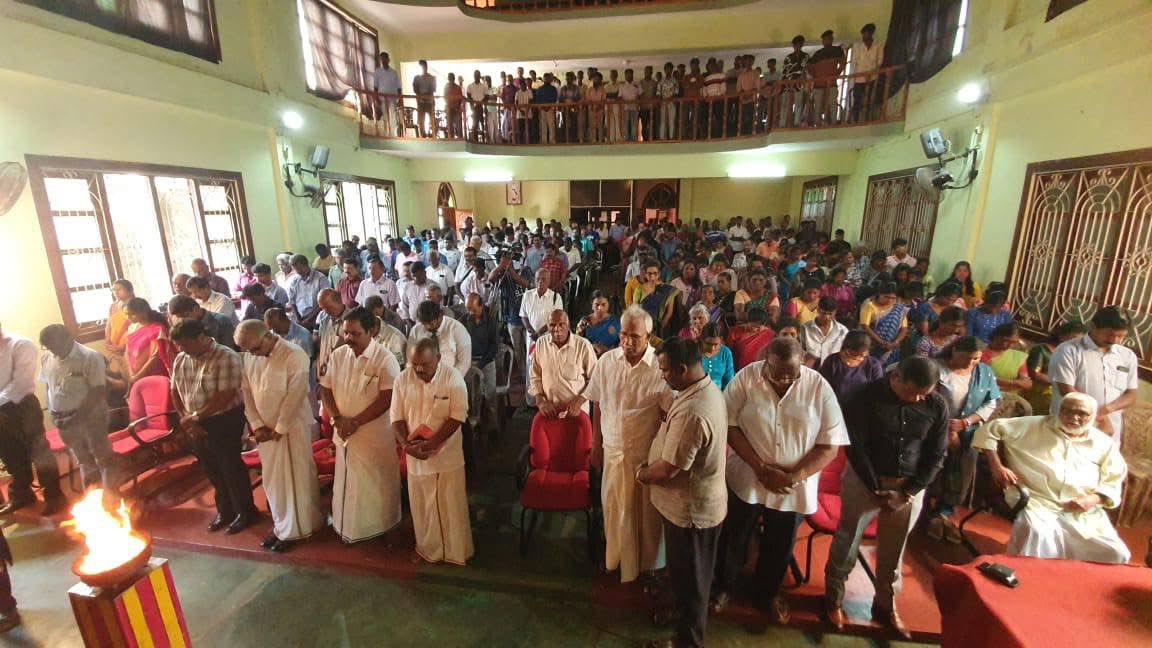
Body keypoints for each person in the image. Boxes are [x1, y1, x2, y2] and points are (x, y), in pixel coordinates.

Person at [713, 337, 847, 623]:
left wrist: (793, 475)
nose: (784, 379)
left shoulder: (818, 387)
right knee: (734, 536)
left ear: (802, 363)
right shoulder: (747, 377)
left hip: (794, 484)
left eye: (791, 373)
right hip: (747, 475)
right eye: (776, 372)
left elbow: (830, 445)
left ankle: (766, 593)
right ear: (765, 361)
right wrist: (760, 467)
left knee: (781, 542)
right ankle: (724, 587)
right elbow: (729, 423)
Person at [823, 357, 948, 640]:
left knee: (894, 549)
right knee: (847, 540)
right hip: (864, 481)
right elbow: (855, 445)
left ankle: (885, 605)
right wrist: (876, 487)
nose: (918, 398)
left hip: (908, 489)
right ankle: (834, 598)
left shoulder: (935, 405)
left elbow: (936, 454)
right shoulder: (864, 396)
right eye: (913, 391)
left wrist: (908, 492)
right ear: (897, 378)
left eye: (924, 394)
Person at [637, 337, 727, 648]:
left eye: (664, 370)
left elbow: (668, 469)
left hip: (691, 514)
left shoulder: (694, 410)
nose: (661, 375)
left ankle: (687, 642)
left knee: (692, 585)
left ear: (681, 368)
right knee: (686, 578)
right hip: (692, 508)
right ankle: (681, 627)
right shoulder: (702, 389)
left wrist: (642, 473)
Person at [973, 393, 1130, 563]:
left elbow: (1114, 477)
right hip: (1038, 502)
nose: (1073, 417)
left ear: (1093, 416)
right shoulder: (1032, 425)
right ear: (1059, 410)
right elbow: (988, 430)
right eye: (1067, 411)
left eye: (1081, 413)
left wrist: (1094, 498)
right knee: (1037, 537)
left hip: (1083, 512)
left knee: (1116, 553)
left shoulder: (1103, 443)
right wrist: (996, 466)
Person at [584, 306, 671, 584]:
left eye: (635, 336)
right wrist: (596, 445)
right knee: (613, 508)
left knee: (644, 515)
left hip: (644, 457)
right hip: (612, 451)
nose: (627, 342)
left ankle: (647, 567)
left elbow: (668, 415)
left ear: (649, 336)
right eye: (623, 334)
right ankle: (615, 558)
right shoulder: (607, 362)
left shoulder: (660, 367)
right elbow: (597, 403)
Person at [235, 320, 322, 552]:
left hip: (291, 428)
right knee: (274, 481)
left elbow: (295, 395)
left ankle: (299, 529)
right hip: (265, 432)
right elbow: (246, 392)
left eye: (254, 348)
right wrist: (256, 425)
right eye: (248, 351)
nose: (252, 354)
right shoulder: (251, 356)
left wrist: (280, 428)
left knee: (297, 478)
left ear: (267, 336)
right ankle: (282, 525)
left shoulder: (294, 354)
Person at [318, 307, 403, 544]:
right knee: (349, 482)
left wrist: (355, 422)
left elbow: (387, 399)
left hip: (374, 434)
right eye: (346, 333)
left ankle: (386, 527)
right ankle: (349, 527)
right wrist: (336, 419)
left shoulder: (385, 359)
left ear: (371, 331)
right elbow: (325, 388)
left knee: (378, 483)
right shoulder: (339, 355)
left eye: (355, 333)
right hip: (343, 431)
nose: (348, 338)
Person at [392, 338, 473, 564]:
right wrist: (407, 447)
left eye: (424, 365)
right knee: (422, 506)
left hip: (447, 454)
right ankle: (428, 550)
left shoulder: (453, 378)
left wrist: (434, 442)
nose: (418, 369)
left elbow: (458, 416)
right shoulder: (402, 379)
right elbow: (396, 418)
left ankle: (456, 553)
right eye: (414, 364)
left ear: (437, 359)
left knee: (451, 503)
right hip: (416, 454)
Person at [169, 319, 253, 533]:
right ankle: (225, 511)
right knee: (211, 468)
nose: (182, 349)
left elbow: (225, 395)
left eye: (185, 344)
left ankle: (246, 512)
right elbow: (175, 391)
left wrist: (196, 417)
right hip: (193, 421)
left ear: (200, 337)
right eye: (179, 346)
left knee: (230, 466)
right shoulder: (181, 358)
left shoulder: (226, 356)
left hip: (224, 419)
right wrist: (187, 418)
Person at [927, 336, 1001, 544]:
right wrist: (949, 431)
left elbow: (990, 403)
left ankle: (944, 513)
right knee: (933, 465)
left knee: (960, 470)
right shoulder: (935, 368)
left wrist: (966, 423)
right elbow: (926, 397)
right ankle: (926, 510)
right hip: (934, 428)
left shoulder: (984, 372)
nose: (971, 363)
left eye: (976, 359)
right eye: (967, 358)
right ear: (955, 350)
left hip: (967, 431)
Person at [39, 325, 121, 510]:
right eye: (47, 347)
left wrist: (76, 417)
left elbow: (97, 391)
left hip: (91, 419)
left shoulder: (89, 357)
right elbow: (49, 387)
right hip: (63, 420)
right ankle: (93, 498)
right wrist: (54, 411)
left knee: (103, 459)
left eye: (53, 345)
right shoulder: (47, 358)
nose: (51, 350)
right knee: (83, 459)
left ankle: (111, 500)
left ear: (67, 339)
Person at [0, 323, 65, 516]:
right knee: (11, 455)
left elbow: (20, 384)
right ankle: (22, 495)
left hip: (22, 407)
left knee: (40, 453)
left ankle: (55, 498)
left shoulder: (21, 345)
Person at [1049, 307, 1139, 442]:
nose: (1114, 340)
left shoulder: (1127, 356)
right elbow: (1067, 390)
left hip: (1109, 431)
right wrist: (1099, 417)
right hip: (1072, 427)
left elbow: (1131, 395)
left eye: (1121, 336)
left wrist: (1107, 410)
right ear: (1093, 326)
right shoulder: (1068, 350)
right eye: (1109, 334)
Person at [529, 310, 596, 419]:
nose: (557, 329)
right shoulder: (541, 344)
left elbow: (595, 380)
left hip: (577, 414)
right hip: (550, 413)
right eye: (552, 325)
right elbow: (535, 376)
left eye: (561, 324)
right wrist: (540, 401)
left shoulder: (583, 346)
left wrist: (579, 402)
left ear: (568, 325)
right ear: (547, 326)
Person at [111, 299, 174, 395]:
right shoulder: (132, 328)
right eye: (127, 314)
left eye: (132, 314)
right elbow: (128, 352)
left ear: (143, 312)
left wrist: (137, 377)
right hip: (135, 374)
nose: (129, 318)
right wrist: (132, 374)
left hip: (156, 373)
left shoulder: (158, 329)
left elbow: (154, 358)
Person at [1024, 321, 1087, 415]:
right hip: (1042, 392)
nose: (1076, 343)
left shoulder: (1077, 356)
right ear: (1062, 336)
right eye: (1074, 338)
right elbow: (1034, 374)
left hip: (1067, 393)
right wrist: (1060, 382)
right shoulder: (1041, 349)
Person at [462, 293, 501, 436]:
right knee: (472, 395)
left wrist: (481, 363)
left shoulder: (490, 321)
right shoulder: (464, 321)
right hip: (469, 362)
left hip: (486, 361)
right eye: (468, 309)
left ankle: (493, 428)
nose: (470, 312)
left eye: (473, 309)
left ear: (481, 306)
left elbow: (494, 346)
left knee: (490, 395)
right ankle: (475, 423)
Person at [408, 300, 471, 379]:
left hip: (449, 376)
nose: (428, 327)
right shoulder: (416, 330)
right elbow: (410, 359)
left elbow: (464, 362)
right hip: (422, 376)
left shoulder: (457, 329)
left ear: (440, 315)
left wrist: (452, 380)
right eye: (424, 324)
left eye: (432, 323)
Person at [819, 330, 884, 405]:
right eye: (853, 354)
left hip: (862, 410)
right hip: (835, 407)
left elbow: (877, 392)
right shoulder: (832, 361)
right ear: (845, 347)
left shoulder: (873, 365)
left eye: (862, 355)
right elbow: (823, 388)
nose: (857, 358)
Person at [859, 282, 909, 364]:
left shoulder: (898, 309)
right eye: (886, 297)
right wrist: (881, 342)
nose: (889, 300)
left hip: (891, 348)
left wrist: (895, 342)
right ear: (879, 294)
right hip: (871, 345)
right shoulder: (870, 306)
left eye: (893, 298)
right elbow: (865, 326)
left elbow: (904, 328)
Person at [982, 323, 1032, 396]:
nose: (1010, 345)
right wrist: (1014, 383)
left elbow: (1026, 383)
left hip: (1008, 398)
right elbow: (982, 377)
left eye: (1014, 342)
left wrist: (1023, 383)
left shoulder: (1018, 357)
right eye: (1006, 340)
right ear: (996, 336)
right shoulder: (981, 352)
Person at [634, 260, 681, 338]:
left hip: (660, 326)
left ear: (659, 274)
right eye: (649, 273)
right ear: (645, 274)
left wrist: (659, 328)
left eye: (655, 273)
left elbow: (669, 312)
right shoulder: (639, 289)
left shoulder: (667, 290)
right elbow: (636, 310)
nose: (652, 276)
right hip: (643, 325)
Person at [800, 297, 848, 367]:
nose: (827, 317)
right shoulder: (805, 328)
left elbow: (845, 352)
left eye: (830, 314)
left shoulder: (842, 331)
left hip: (833, 369)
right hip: (811, 369)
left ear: (835, 312)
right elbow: (800, 349)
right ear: (818, 310)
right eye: (824, 313)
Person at [286, 254, 330, 329]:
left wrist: (309, 319)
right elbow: (292, 301)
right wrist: (298, 319)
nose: (298, 272)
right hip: (300, 318)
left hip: (318, 318)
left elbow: (325, 302)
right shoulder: (295, 280)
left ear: (306, 265)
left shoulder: (320, 278)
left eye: (300, 268)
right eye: (295, 270)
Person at [575, 291, 620, 356]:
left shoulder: (616, 322)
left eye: (603, 304)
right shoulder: (584, 321)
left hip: (611, 359)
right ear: (592, 305)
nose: (600, 308)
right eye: (597, 305)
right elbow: (577, 343)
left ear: (608, 305)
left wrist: (607, 351)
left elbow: (622, 345)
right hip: (588, 358)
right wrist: (592, 346)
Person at [104, 279, 134, 374]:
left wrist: (123, 345)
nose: (116, 292)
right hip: (116, 345)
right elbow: (109, 323)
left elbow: (133, 326)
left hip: (129, 343)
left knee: (132, 370)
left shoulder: (135, 305)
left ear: (129, 291)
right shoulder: (113, 306)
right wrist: (108, 339)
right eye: (114, 289)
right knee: (123, 371)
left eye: (119, 289)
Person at [699, 323, 734, 390]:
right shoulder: (694, 352)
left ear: (721, 340)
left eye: (716, 344)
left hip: (719, 396)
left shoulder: (725, 353)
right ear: (702, 340)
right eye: (708, 344)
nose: (712, 348)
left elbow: (729, 382)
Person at [413, 60, 437, 138]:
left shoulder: (432, 78)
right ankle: (422, 135)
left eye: (423, 66)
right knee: (421, 120)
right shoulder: (417, 78)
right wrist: (421, 96)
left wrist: (426, 96)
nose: (422, 68)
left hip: (430, 101)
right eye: (421, 67)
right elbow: (415, 89)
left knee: (432, 120)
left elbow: (433, 89)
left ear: (426, 67)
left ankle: (433, 135)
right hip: (420, 101)